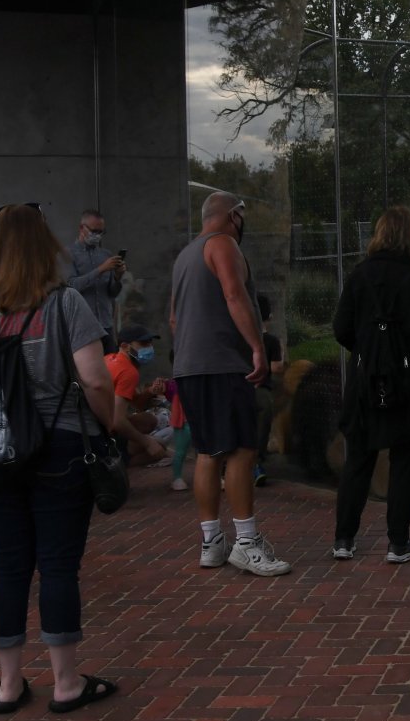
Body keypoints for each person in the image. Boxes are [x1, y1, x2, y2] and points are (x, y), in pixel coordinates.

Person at [0, 202, 122, 713]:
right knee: (59, 565)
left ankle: (8, 684)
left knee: (8, 565)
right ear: (47, 247)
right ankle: (65, 683)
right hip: (61, 444)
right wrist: (106, 422)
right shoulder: (65, 304)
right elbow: (94, 377)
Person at [170, 192, 288, 576]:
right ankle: (247, 543)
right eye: (243, 215)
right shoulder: (223, 244)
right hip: (222, 365)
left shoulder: (185, 255)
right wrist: (256, 346)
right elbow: (234, 294)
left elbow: (173, 319)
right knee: (240, 450)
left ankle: (211, 542)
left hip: (190, 366)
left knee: (208, 451)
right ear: (233, 216)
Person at [331, 207, 410, 562]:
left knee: (359, 460)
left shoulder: (358, 277)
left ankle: (343, 539)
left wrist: (371, 352)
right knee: (405, 460)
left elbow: (341, 329)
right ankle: (398, 542)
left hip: (365, 381)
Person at [102, 327, 170, 466]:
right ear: (125, 346)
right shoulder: (128, 371)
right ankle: (118, 465)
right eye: (144, 344)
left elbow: (137, 405)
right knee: (159, 448)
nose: (150, 348)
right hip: (105, 429)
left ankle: (119, 453)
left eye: (150, 344)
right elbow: (117, 421)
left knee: (148, 420)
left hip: (97, 423)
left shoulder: (109, 359)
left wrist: (150, 391)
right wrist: (147, 443)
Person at [68, 210, 123, 355]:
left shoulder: (105, 254)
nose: (97, 235)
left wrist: (117, 277)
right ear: (82, 228)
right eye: (94, 231)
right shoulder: (69, 254)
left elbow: (112, 293)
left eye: (101, 232)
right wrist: (100, 269)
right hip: (82, 326)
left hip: (106, 325)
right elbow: (71, 286)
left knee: (110, 370)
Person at [252, 294, 285, 488]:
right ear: (270, 317)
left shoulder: (243, 338)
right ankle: (257, 465)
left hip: (240, 388)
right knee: (261, 428)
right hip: (261, 391)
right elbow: (276, 368)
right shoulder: (271, 341)